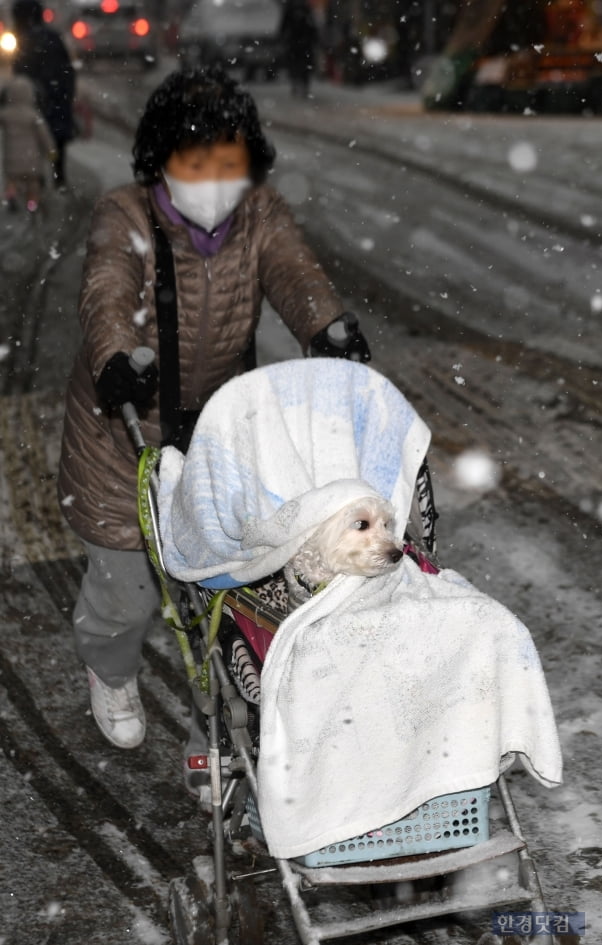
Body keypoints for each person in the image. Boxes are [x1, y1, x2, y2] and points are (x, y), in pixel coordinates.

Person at [57, 66, 370, 755]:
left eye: (228, 164)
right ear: (160, 161)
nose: (213, 181)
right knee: (128, 591)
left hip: (216, 430)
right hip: (122, 431)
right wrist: (116, 356)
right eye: (194, 163)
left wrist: (326, 326)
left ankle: (220, 733)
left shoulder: (260, 215)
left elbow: (294, 271)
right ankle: (108, 669)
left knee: (232, 591)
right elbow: (108, 286)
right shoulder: (126, 213)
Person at [11, 0, 75, 189]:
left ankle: (38, 180)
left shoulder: (26, 41)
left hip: (38, 98)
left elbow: (20, 73)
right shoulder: (53, 37)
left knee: (36, 140)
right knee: (56, 140)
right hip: (57, 96)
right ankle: (59, 177)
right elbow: (67, 69)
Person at [0, 74, 55, 212]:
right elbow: (44, 136)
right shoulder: (34, 115)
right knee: (33, 184)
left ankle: (11, 195)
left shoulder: (5, 114)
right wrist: (51, 151)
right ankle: (32, 204)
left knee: (12, 181)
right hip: (32, 160)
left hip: (12, 159)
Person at [280, 0, 319, 97]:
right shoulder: (296, 8)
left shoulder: (301, 9)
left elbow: (312, 27)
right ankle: (299, 85)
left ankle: (300, 85)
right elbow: (284, 26)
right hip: (298, 43)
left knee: (300, 65)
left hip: (301, 43)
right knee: (299, 65)